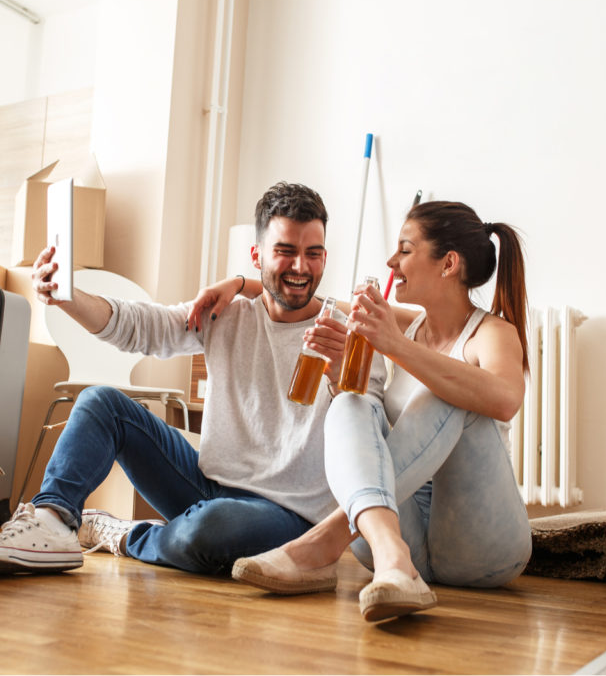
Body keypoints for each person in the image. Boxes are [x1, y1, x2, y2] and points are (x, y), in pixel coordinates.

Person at [0, 181, 385, 576]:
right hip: (205, 486)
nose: (300, 266)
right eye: (285, 250)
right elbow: (141, 327)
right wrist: (67, 297)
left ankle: (120, 534)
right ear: (256, 257)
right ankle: (52, 523)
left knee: (212, 529)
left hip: (286, 513)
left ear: (326, 256)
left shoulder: (352, 338)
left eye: (314, 253)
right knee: (100, 402)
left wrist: (341, 377)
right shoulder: (225, 315)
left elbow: (371, 429)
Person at [186, 201, 531, 622]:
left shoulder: (492, 333)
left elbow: (505, 399)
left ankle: (320, 544)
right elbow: (308, 298)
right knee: (351, 396)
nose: (392, 261)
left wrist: (395, 346)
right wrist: (239, 282)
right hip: (397, 547)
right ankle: (393, 559)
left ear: (449, 264)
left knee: (446, 390)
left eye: (405, 250)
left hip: (483, 547)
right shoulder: (407, 325)